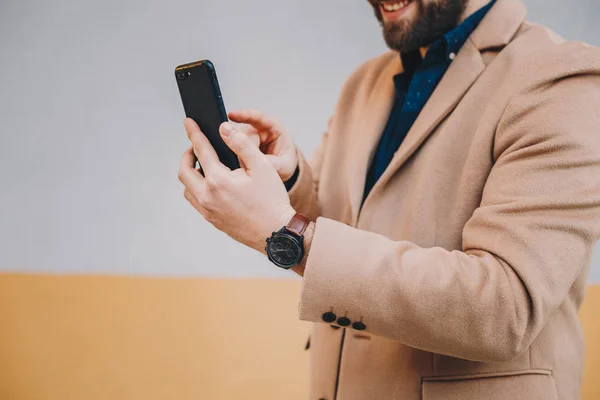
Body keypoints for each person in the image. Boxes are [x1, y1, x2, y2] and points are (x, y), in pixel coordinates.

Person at [177, 0, 600, 398]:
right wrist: (290, 179)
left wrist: (287, 234)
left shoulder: (563, 78)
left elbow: (504, 308)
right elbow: (344, 226)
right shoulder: (364, 83)